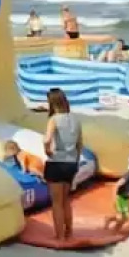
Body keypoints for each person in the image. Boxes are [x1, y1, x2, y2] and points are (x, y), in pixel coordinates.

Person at [42, 88, 82, 242]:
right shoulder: (75, 120)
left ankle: (59, 236)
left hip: (57, 162)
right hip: (71, 163)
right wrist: (76, 161)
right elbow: (79, 144)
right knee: (66, 200)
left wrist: (47, 150)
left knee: (57, 203)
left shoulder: (54, 119)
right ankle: (69, 232)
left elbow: (47, 139)